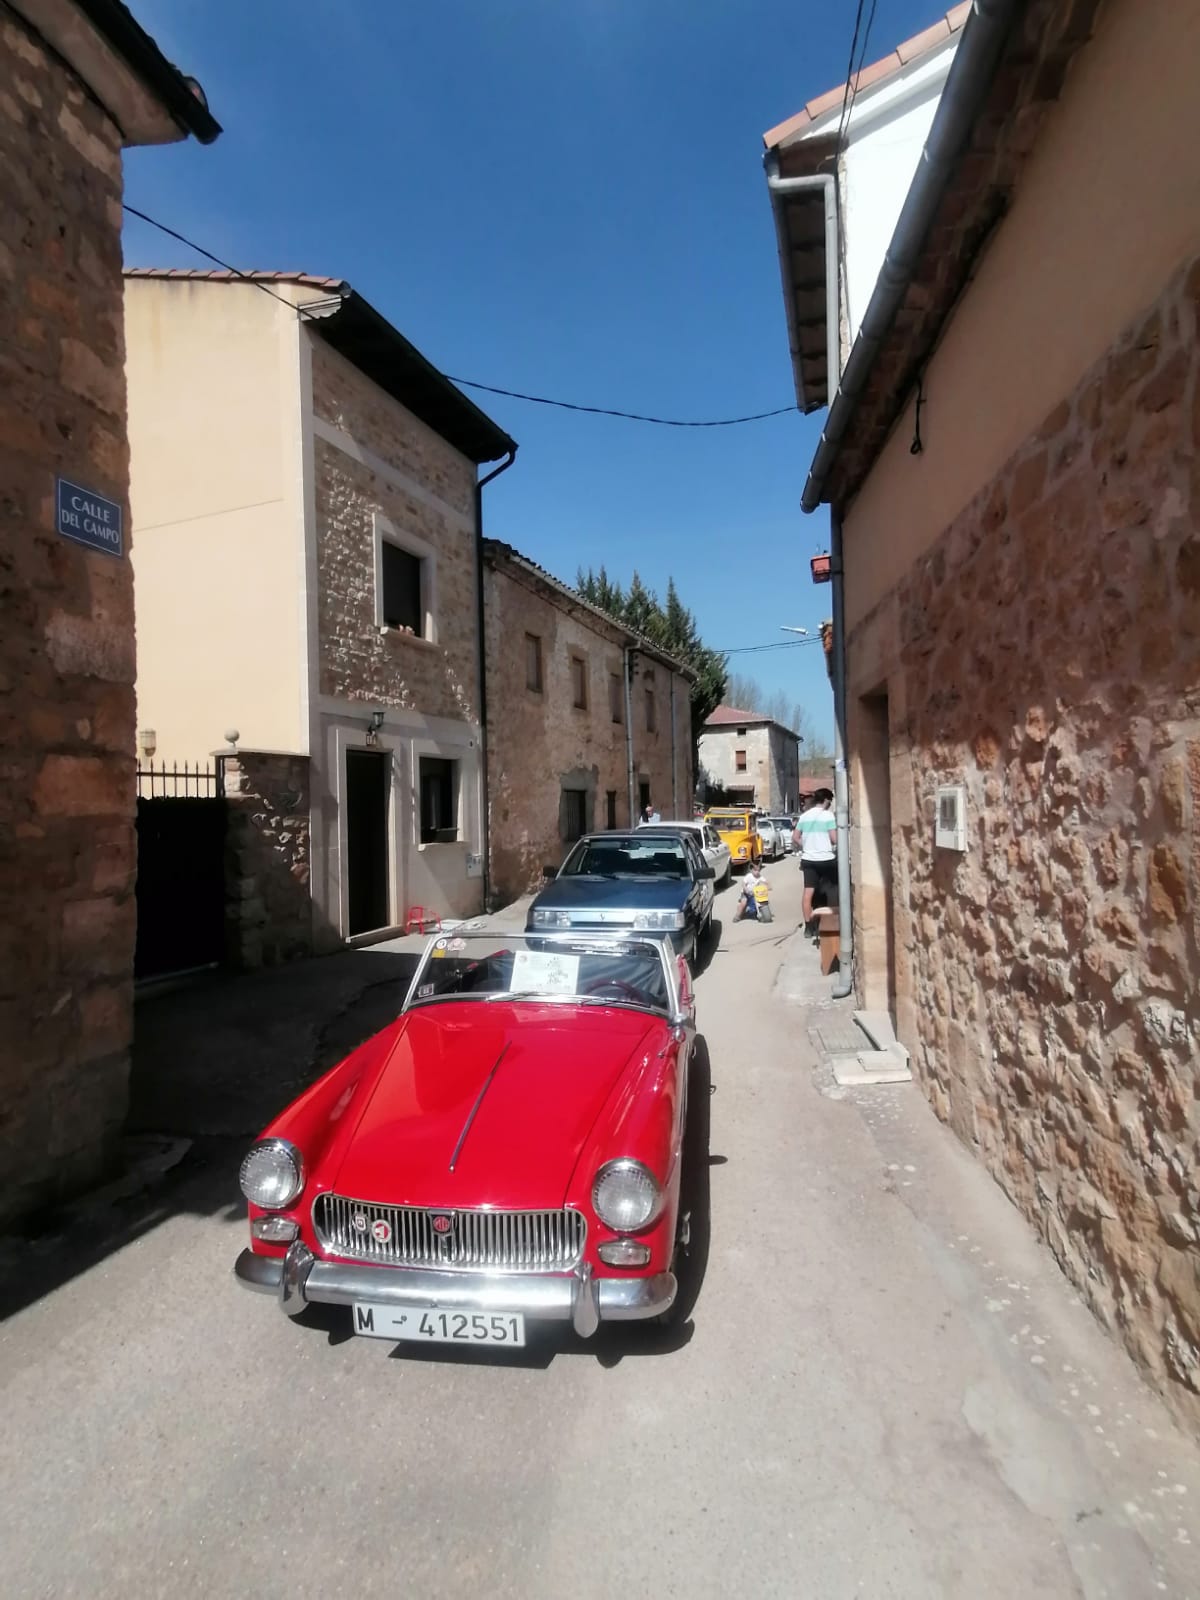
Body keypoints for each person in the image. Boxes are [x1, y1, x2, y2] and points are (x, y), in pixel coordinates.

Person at [794, 787, 837, 937]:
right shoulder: (828, 816)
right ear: (825, 801)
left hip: (808, 859)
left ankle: (808, 927)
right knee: (832, 891)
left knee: (808, 893)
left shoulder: (804, 816)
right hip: (826, 859)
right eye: (830, 802)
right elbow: (834, 839)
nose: (830, 805)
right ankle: (831, 921)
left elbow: (795, 837)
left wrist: (806, 846)